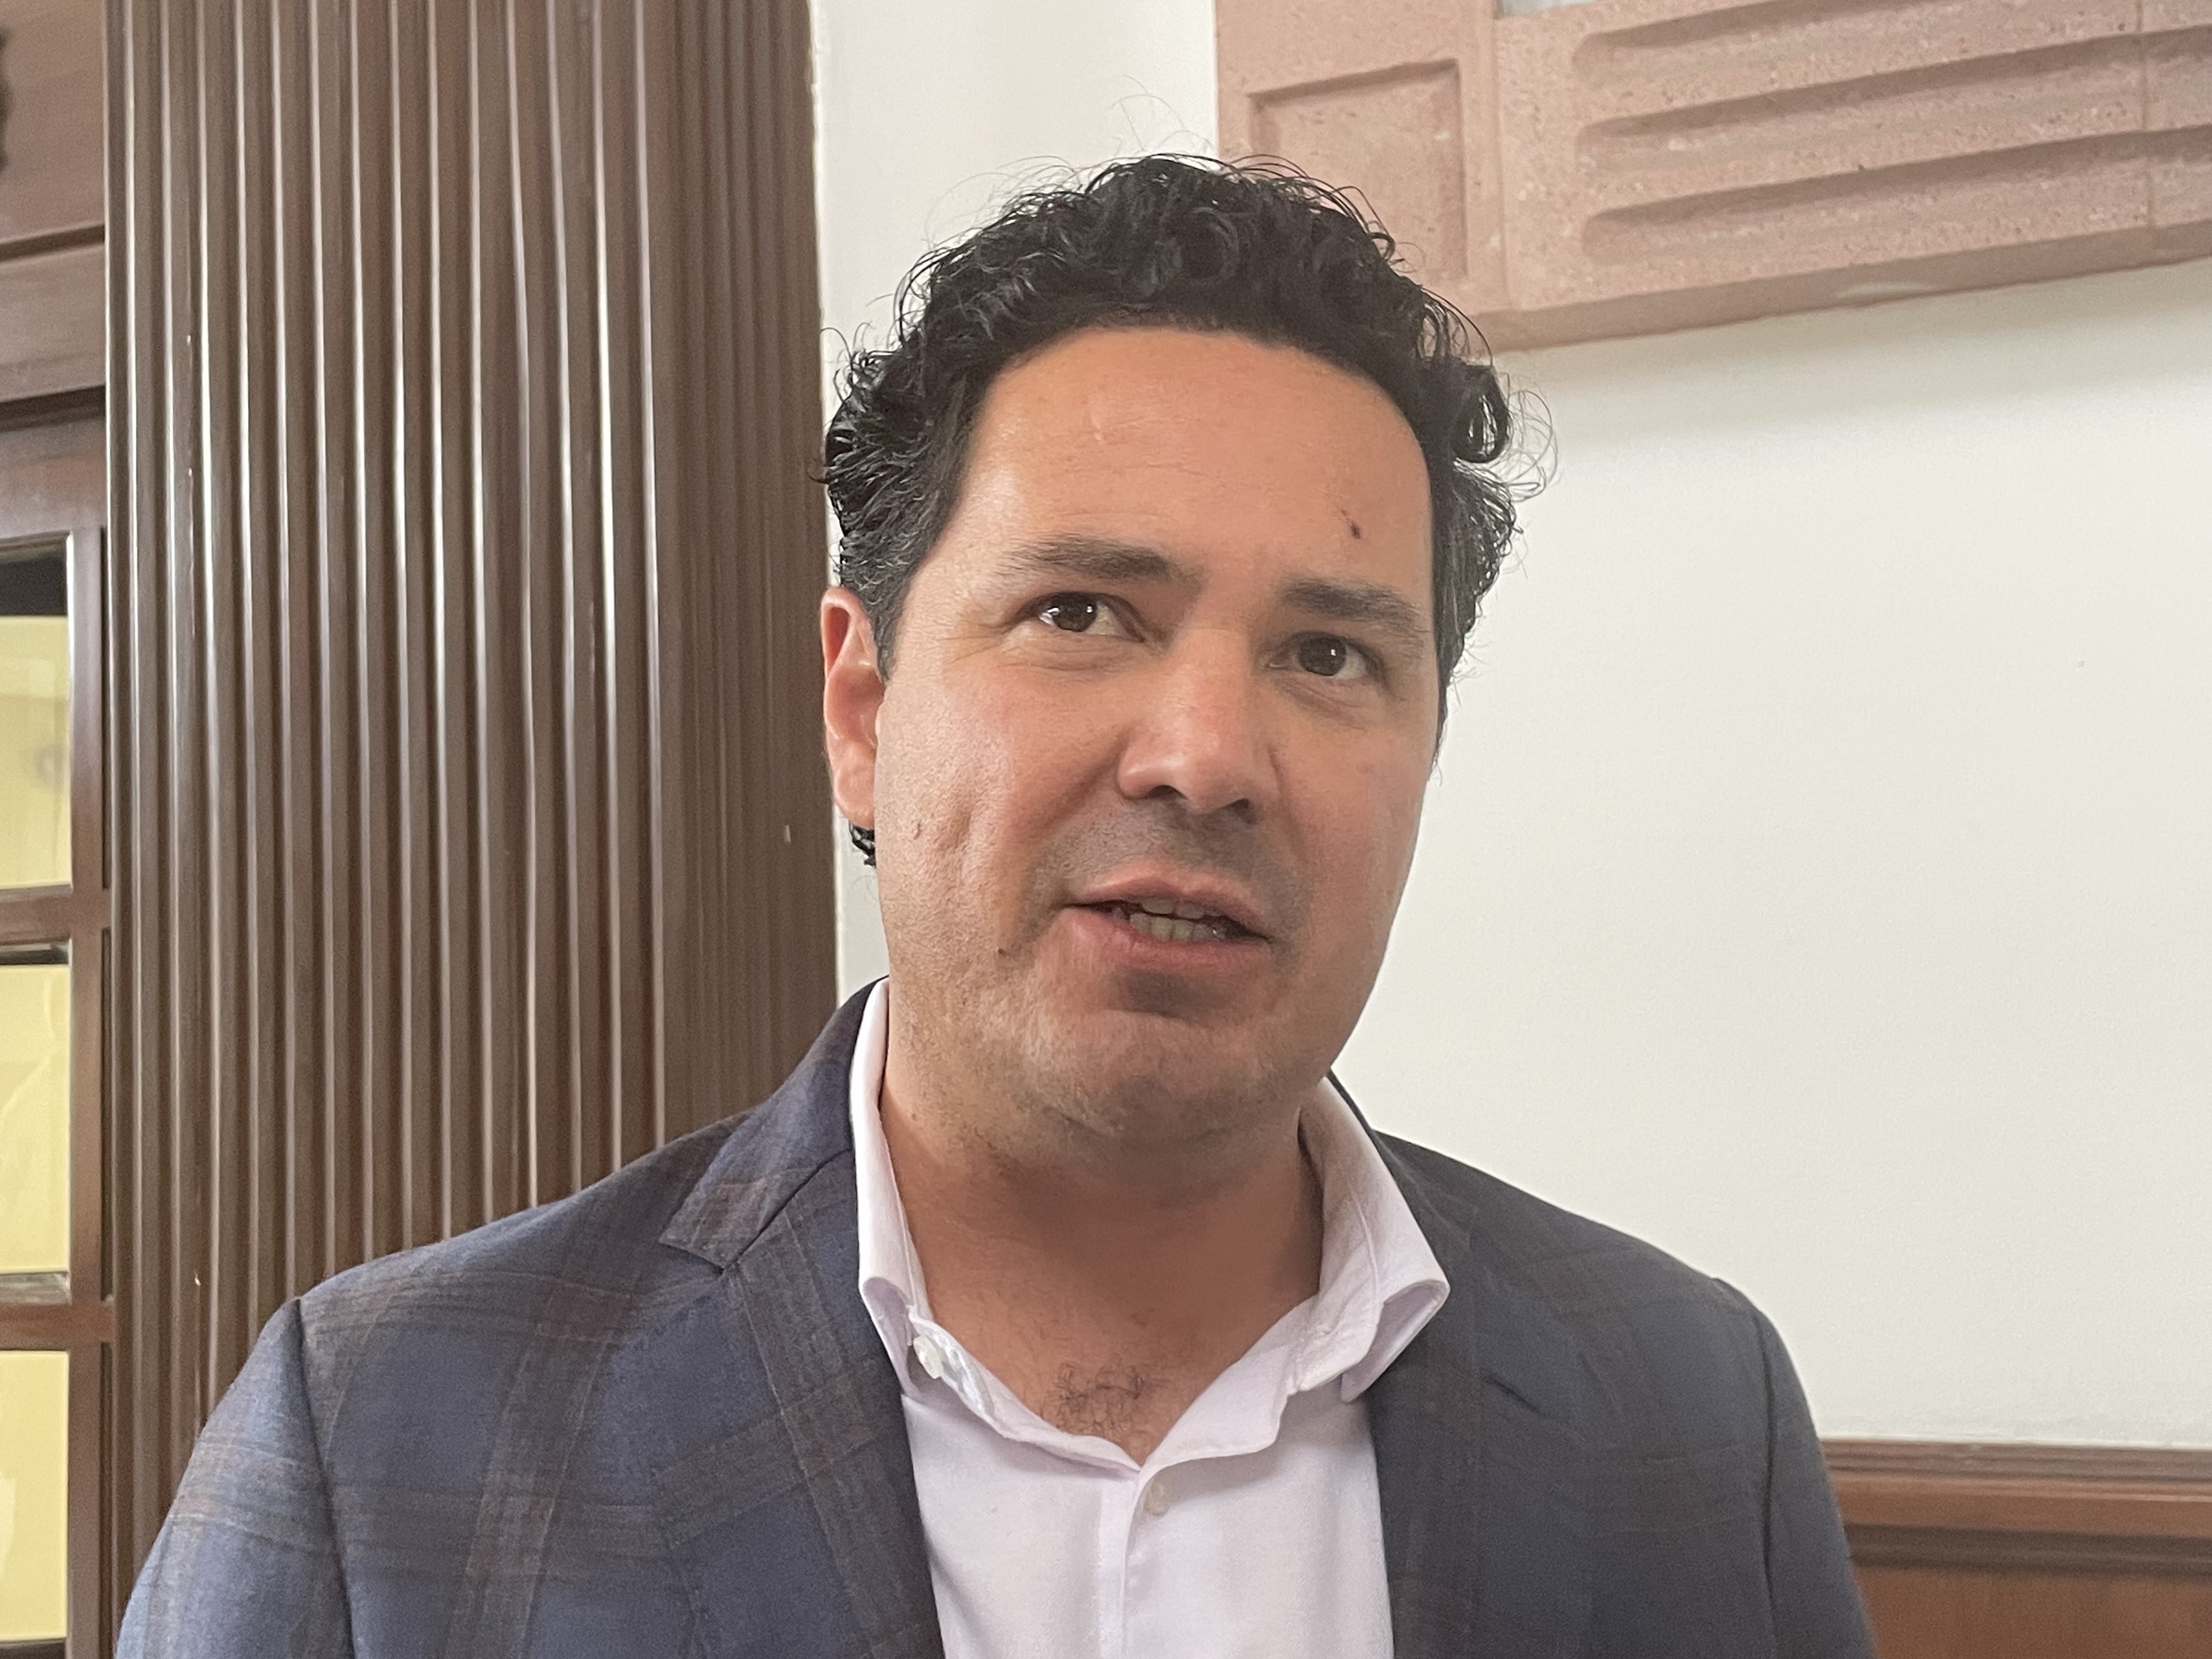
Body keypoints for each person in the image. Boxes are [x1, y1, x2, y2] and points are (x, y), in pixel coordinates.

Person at [120, 157, 1875, 1658]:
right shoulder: (390, 1437)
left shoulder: (1685, 1416)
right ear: (862, 707)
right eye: (1083, 615)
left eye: (1330, 655)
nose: (1207, 756)